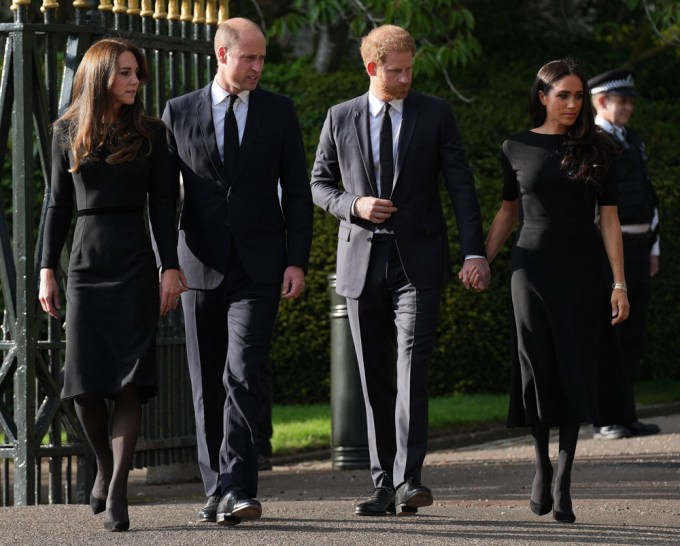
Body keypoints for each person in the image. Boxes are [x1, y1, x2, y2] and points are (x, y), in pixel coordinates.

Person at [310, 24, 490, 517]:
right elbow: (319, 185)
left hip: (419, 262)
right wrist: (355, 204)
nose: (406, 77)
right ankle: (381, 482)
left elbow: (461, 186)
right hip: (362, 261)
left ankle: (410, 479)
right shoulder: (340, 116)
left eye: (411, 68)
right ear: (372, 68)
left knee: (411, 369)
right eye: (397, 70)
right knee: (374, 377)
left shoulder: (435, 113)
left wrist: (474, 253)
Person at [162, 18, 313, 527]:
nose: (258, 67)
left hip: (260, 266)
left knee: (243, 372)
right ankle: (216, 490)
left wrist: (297, 259)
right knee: (206, 381)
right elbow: (163, 200)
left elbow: (296, 192)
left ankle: (238, 485)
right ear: (221, 55)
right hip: (197, 265)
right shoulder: (178, 112)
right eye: (249, 58)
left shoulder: (279, 112)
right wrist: (166, 264)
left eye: (262, 58)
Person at [38, 38, 184, 532]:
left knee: (129, 383)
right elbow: (56, 206)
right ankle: (104, 464)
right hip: (84, 265)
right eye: (125, 72)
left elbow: (164, 206)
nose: (134, 81)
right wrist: (46, 269)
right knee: (82, 385)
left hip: (136, 264)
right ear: (101, 75)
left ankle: (118, 490)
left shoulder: (152, 133)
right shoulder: (66, 133)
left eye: (137, 73)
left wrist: (170, 266)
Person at [483, 58, 630, 524]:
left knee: (575, 365)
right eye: (562, 95)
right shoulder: (515, 146)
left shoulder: (599, 147)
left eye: (578, 95)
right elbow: (508, 212)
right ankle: (541, 465)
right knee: (536, 367)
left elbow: (609, 218)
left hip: (583, 271)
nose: (572, 104)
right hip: (529, 270)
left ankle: (564, 477)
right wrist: (479, 261)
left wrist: (619, 282)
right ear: (542, 96)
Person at [588, 68, 661, 440]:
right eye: (623, 100)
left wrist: (654, 246)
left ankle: (625, 413)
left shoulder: (633, 141)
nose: (629, 107)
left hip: (639, 246)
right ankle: (604, 417)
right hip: (607, 251)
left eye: (631, 101)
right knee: (610, 333)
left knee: (633, 334)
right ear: (601, 101)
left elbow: (648, 195)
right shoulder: (591, 141)